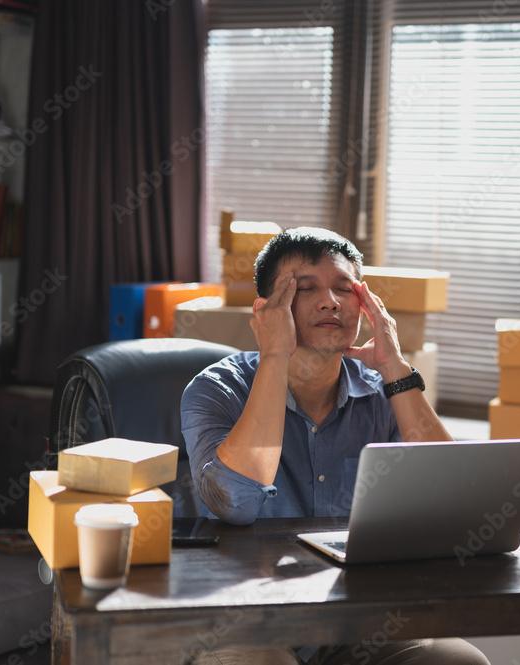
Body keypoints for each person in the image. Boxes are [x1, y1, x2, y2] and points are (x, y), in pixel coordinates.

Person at [181, 227, 490, 665]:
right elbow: (236, 502)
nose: (331, 301)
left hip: (356, 622)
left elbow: (453, 498)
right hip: (244, 621)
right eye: (305, 289)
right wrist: (274, 355)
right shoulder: (215, 390)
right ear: (265, 312)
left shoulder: (386, 392)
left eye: (345, 289)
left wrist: (394, 364)